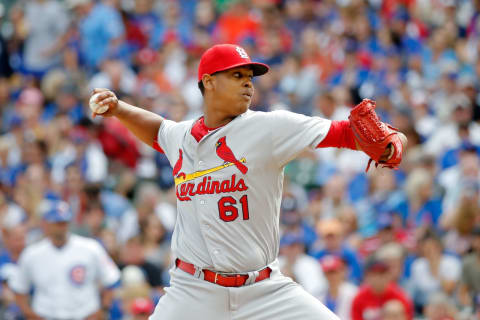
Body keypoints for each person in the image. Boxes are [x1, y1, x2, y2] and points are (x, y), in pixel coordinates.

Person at [91, 43, 405, 320]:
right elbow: (159, 131)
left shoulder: (269, 127)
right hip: (193, 291)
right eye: (237, 76)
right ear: (209, 82)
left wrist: (391, 143)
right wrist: (119, 109)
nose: (248, 85)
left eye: (249, 78)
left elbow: (347, 133)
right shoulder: (181, 137)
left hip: (264, 290)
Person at [8, 201, 120, 320]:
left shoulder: (90, 248)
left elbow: (111, 280)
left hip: (83, 314)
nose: (61, 227)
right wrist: (29, 313)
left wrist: (103, 310)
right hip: (47, 315)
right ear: (46, 223)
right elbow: (19, 288)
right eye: (57, 223)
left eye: (64, 222)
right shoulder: (32, 253)